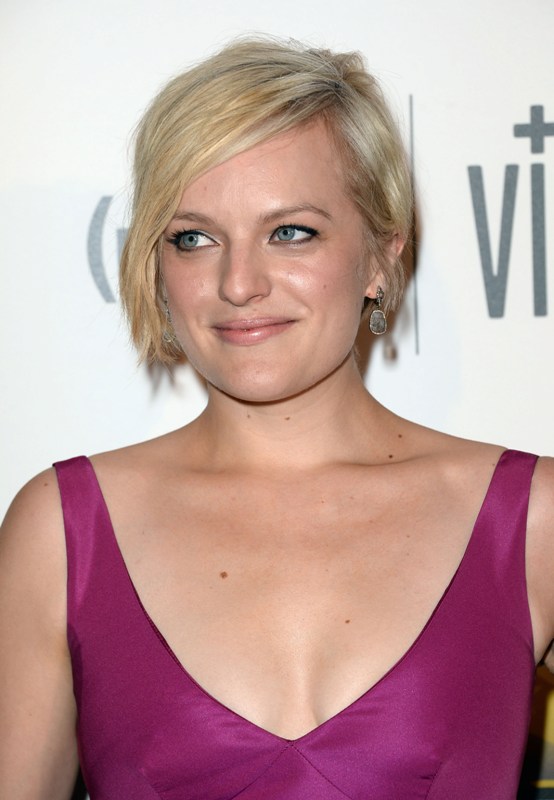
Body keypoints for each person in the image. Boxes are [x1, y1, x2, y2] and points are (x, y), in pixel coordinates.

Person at [0, 36, 552, 800]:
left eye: (291, 232)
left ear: (381, 255)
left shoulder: (532, 522)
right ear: (156, 266)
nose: (238, 283)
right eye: (194, 238)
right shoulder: (62, 536)